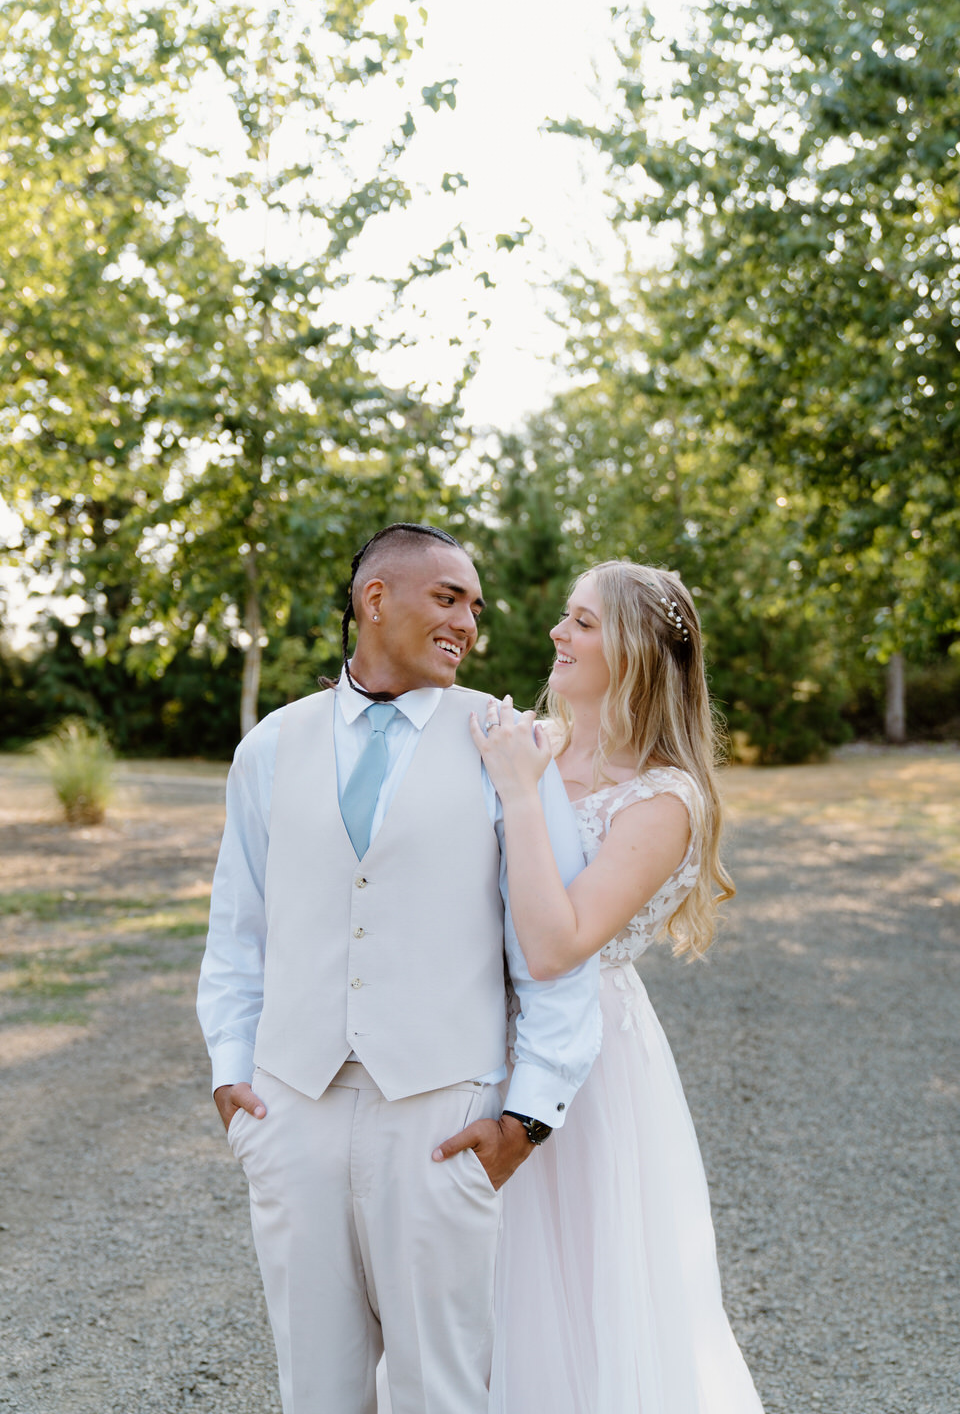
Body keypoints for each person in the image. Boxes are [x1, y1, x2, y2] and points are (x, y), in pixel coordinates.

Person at [196, 523, 601, 1414]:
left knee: (441, 1389)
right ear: (375, 599)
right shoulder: (271, 745)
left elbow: (554, 952)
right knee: (316, 1386)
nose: (468, 623)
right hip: (290, 1106)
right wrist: (233, 1082)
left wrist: (526, 1118)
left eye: (476, 608)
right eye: (447, 598)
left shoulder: (511, 742)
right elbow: (239, 929)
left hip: (441, 1114)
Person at [436, 559, 765, 1413]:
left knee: (565, 1304)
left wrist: (518, 789)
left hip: (582, 1066)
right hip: (466, 1034)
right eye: (565, 616)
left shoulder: (662, 800)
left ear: (635, 651)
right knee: (451, 1296)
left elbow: (555, 949)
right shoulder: (524, 742)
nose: (558, 632)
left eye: (582, 621)